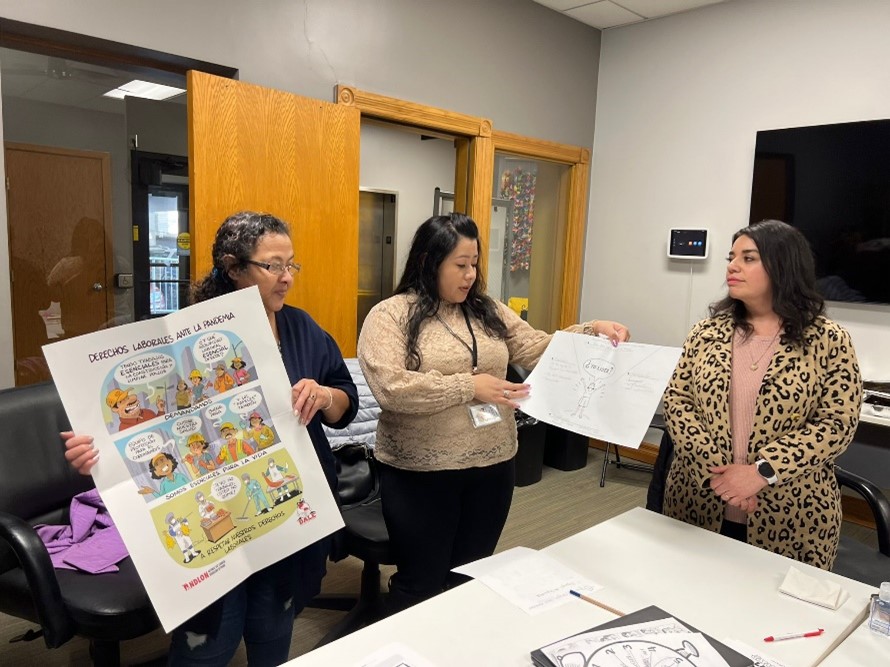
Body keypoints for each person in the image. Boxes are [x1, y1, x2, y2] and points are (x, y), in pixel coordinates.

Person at [62, 211, 359, 665]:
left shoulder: (301, 328)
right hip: (211, 519)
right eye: (272, 266)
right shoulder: (179, 339)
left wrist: (325, 396)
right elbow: (140, 429)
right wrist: (94, 455)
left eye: (291, 265)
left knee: (274, 624)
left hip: (283, 511)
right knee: (209, 641)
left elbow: (346, 403)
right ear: (233, 266)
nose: (286, 279)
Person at [356, 212, 630, 612]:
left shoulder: (487, 310)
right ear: (428, 262)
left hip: (493, 465)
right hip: (422, 475)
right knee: (421, 582)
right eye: (460, 265)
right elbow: (390, 388)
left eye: (474, 264)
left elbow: (537, 348)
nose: (470, 275)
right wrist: (469, 386)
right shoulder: (390, 315)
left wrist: (592, 331)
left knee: (470, 575)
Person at [662, 219, 862, 570]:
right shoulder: (705, 333)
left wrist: (761, 471)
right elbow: (678, 401)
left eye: (748, 258)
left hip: (791, 515)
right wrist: (717, 474)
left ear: (783, 265)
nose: (732, 266)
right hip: (697, 503)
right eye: (731, 256)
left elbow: (836, 424)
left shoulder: (829, 340)